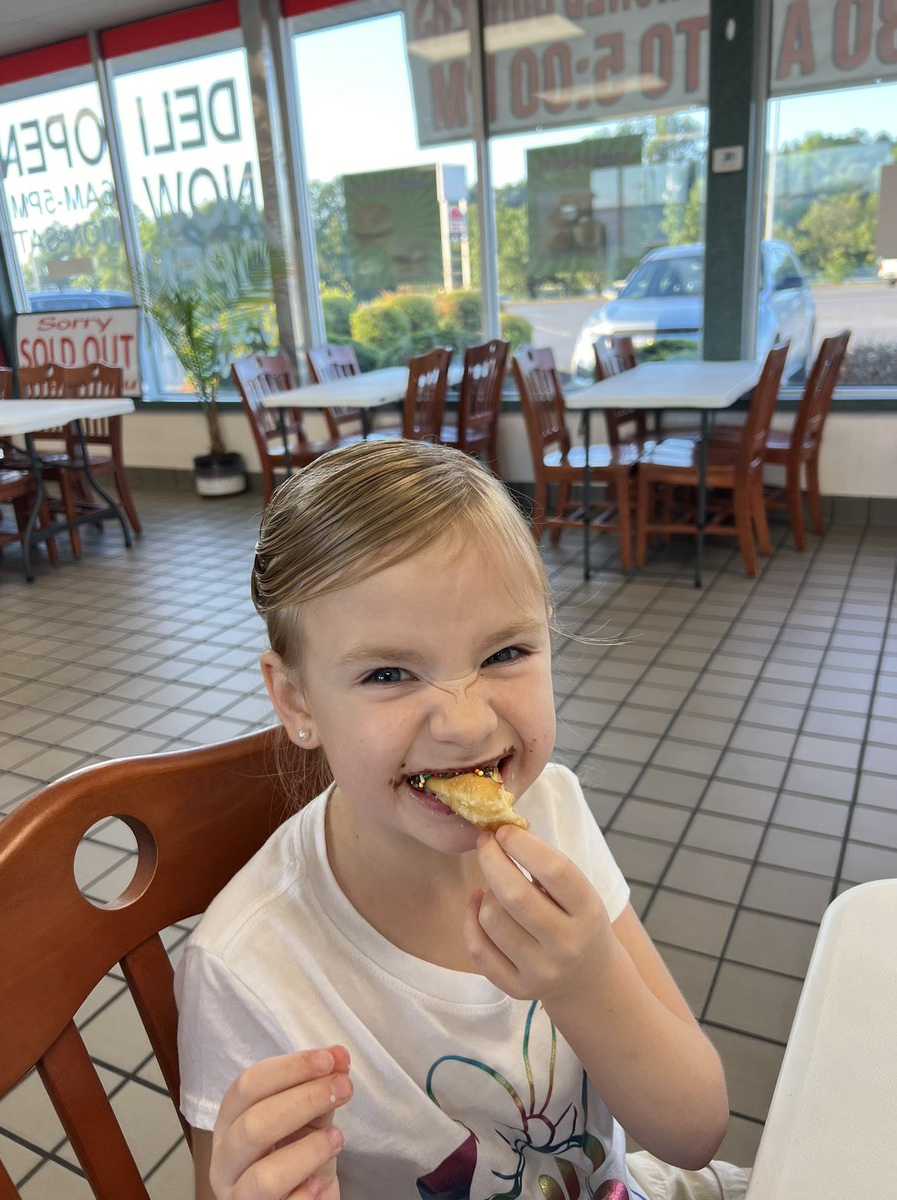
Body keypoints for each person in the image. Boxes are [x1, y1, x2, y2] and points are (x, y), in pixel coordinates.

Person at [175, 438, 749, 1200]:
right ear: (297, 701)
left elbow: (693, 1129)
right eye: (388, 673)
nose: (466, 724)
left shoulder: (553, 810)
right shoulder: (248, 968)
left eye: (506, 651)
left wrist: (587, 982)